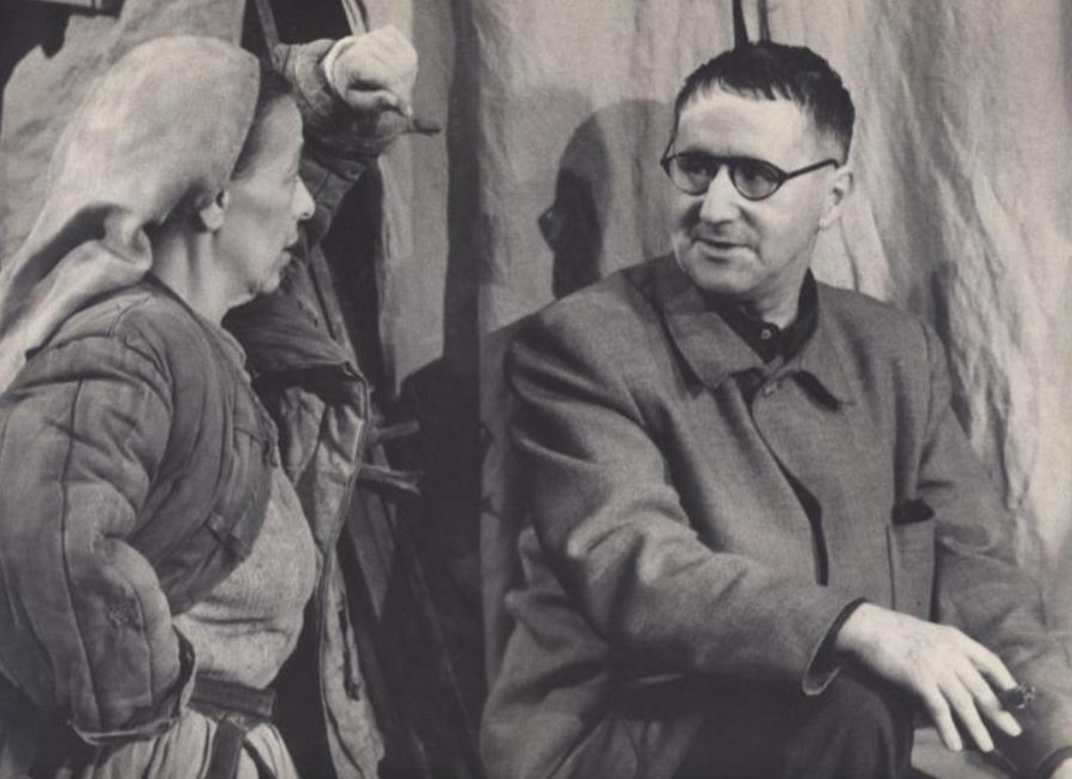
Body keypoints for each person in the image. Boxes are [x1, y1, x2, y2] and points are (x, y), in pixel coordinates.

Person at [480, 41, 1072, 779]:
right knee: (852, 705)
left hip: (844, 743)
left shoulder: (896, 354)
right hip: (626, 742)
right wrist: (859, 628)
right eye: (695, 168)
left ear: (834, 197)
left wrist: (1057, 747)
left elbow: (979, 584)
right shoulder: (581, 346)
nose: (714, 207)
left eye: (755, 177)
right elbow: (640, 568)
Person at [0, 27, 423, 778]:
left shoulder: (205, 341)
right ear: (215, 200)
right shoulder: (130, 343)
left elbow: (255, 159)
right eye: (289, 178)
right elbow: (46, 533)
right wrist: (146, 713)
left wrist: (333, 106)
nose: (304, 205)